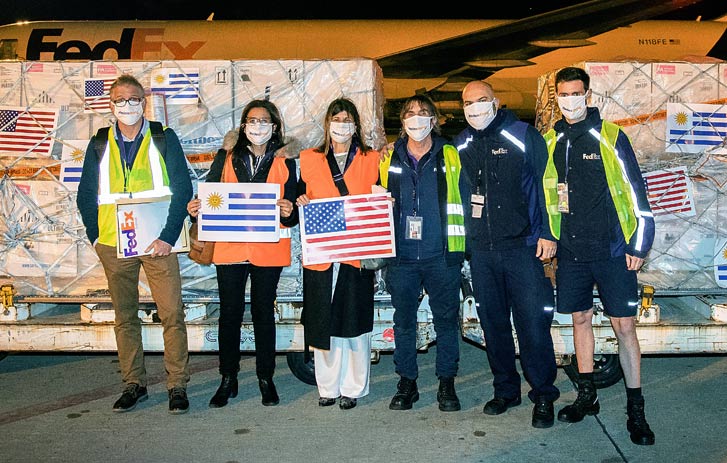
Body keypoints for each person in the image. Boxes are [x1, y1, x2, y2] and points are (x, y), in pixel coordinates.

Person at [543, 66, 656, 445]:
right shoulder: (551, 140)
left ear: (588, 94)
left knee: (625, 327)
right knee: (580, 320)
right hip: (573, 251)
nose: (570, 100)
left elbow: (637, 193)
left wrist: (639, 245)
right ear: (556, 97)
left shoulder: (610, 137)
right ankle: (586, 396)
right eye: (563, 94)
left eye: (576, 93)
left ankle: (635, 409)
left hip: (613, 251)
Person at [77, 74, 193, 414]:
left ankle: (177, 385)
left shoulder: (163, 138)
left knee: (171, 313)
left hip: (158, 243)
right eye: (120, 100)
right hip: (115, 244)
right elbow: (86, 193)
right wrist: (95, 236)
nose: (127, 106)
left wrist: (169, 237)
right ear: (110, 104)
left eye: (133, 99)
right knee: (125, 317)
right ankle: (134, 383)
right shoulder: (99, 142)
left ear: (144, 102)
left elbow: (182, 188)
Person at [453, 80, 560, 428]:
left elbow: (548, 184)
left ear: (496, 102)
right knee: (493, 325)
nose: (475, 108)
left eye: (481, 100)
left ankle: (543, 394)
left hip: (523, 248)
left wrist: (548, 232)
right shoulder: (461, 144)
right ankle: (505, 390)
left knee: (532, 324)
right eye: (468, 103)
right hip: (482, 253)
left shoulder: (523, 135)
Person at [186, 100, 298, 408]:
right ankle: (228, 378)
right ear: (243, 125)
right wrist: (197, 210)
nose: (258, 126)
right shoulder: (226, 157)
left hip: (268, 248)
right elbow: (210, 193)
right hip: (230, 246)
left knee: (263, 312)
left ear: (274, 126)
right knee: (230, 312)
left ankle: (266, 377)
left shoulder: (285, 160)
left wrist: (289, 212)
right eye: (252, 120)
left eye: (264, 121)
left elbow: (291, 207)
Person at [380, 94, 468, 412]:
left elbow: (468, 195)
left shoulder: (451, 154)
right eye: (410, 113)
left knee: (446, 321)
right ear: (403, 121)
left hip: (440, 254)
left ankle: (446, 383)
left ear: (435, 119)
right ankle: (407, 383)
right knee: (404, 322)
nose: (416, 118)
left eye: (423, 112)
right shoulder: (388, 158)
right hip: (402, 256)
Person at [296, 98, 380, 410]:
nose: (342, 124)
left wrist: (386, 203)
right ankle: (328, 387)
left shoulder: (371, 159)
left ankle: (354, 388)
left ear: (356, 125)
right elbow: (294, 203)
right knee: (323, 322)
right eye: (336, 118)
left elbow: (379, 195)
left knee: (354, 323)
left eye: (347, 119)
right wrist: (300, 200)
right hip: (321, 253)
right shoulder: (309, 158)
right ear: (327, 123)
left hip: (356, 252)